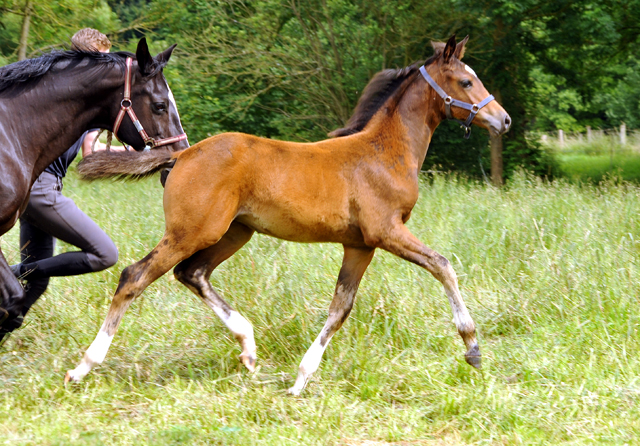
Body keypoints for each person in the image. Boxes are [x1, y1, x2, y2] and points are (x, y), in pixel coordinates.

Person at [0, 29, 124, 343]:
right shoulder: (73, 97)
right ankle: (11, 273)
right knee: (104, 254)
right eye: (104, 58)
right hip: (37, 188)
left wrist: (139, 151)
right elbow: (91, 152)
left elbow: (90, 150)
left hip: (37, 187)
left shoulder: (81, 100)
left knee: (38, 280)